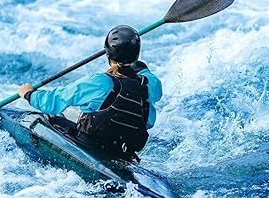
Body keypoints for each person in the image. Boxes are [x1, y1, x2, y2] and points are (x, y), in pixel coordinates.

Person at [18, 25, 162, 160]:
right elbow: (149, 79)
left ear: (108, 55)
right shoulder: (149, 84)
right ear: (136, 54)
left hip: (91, 144)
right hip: (123, 153)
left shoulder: (100, 82)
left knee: (52, 117)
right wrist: (137, 66)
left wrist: (29, 95)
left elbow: (55, 101)